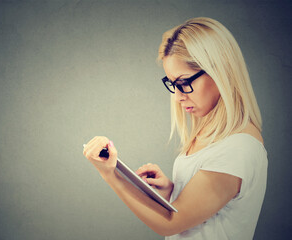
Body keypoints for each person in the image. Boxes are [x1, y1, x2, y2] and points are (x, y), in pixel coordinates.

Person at [82, 17, 268, 240]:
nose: (178, 97)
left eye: (184, 83)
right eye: (173, 84)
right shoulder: (214, 135)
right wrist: (172, 192)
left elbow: (170, 224)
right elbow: (207, 217)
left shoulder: (238, 147)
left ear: (220, 72)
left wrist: (110, 175)